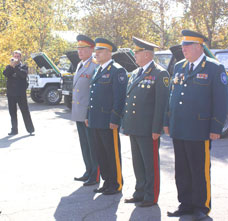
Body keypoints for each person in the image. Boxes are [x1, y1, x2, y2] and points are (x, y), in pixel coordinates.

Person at [164, 30, 228, 221]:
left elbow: (221, 101)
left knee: (199, 170)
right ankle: (185, 204)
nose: (183, 49)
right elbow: (172, 97)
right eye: (183, 45)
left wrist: (216, 127)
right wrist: (167, 121)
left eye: (188, 45)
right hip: (179, 127)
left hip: (199, 129)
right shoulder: (179, 67)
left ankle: (202, 206)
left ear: (199, 47)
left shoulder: (214, 68)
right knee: (181, 169)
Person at [122, 37, 170, 207]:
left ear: (147, 55)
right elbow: (129, 100)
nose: (134, 55)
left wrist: (157, 128)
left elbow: (161, 105)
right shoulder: (136, 73)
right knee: (137, 162)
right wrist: (126, 125)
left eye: (137, 52)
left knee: (150, 164)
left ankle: (151, 196)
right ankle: (140, 192)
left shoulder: (160, 73)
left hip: (149, 129)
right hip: (135, 127)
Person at [85, 38, 128, 195]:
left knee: (111, 153)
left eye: (100, 51)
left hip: (108, 120)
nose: (97, 53)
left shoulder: (117, 70)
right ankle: (107, 181)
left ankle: (116, 183)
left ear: (109, 53)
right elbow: (93, 96)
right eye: (96, 50)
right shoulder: (98, 69)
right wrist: (88, 115)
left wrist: (115, 119)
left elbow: (119, 98)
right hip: (96, 119)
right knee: (101, 153)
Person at [72, 35, 99, 186]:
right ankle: (88, 170)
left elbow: (93, 91)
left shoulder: (94, 65)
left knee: (92, 145)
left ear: (91, 50)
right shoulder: (80, 64)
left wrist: (89, 111)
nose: (80, 51)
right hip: (78, 111)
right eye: (79, 49)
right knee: (84, 144)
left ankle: (95, 174)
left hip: (87, 112)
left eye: (83, 49)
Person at [3, 50, 34, 135]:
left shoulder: (24, 66)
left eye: (18, 56)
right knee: (12, 112)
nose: (16, 58)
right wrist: (11, 66)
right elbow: (5, 74)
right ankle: (14, 130)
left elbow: (23, 75)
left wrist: (16, 67)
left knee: (25, 111)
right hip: (11, 93)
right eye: (15, 56)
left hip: (21, 93)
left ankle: (30, 129)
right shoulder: (9, 66)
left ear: (20, 57)